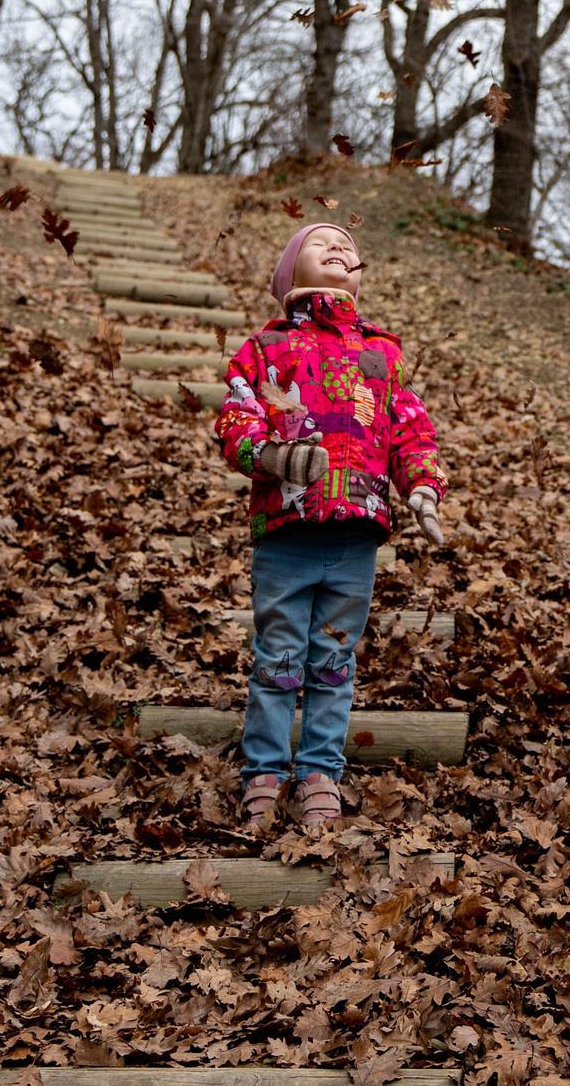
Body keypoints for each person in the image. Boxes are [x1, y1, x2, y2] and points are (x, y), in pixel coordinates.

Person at [213, 222, 446, 829]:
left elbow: (410, 428)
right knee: (278, 654)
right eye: (322, 244)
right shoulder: (267, 347)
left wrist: (422, 485)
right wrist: (270, 456)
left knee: (335, 659)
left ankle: (320, 770)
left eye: (349, 246)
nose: (340, 248)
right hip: (287, 529)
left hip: (356, 534)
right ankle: (265, 771)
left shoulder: (382, 353)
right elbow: (237, 417)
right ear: (291, 271)